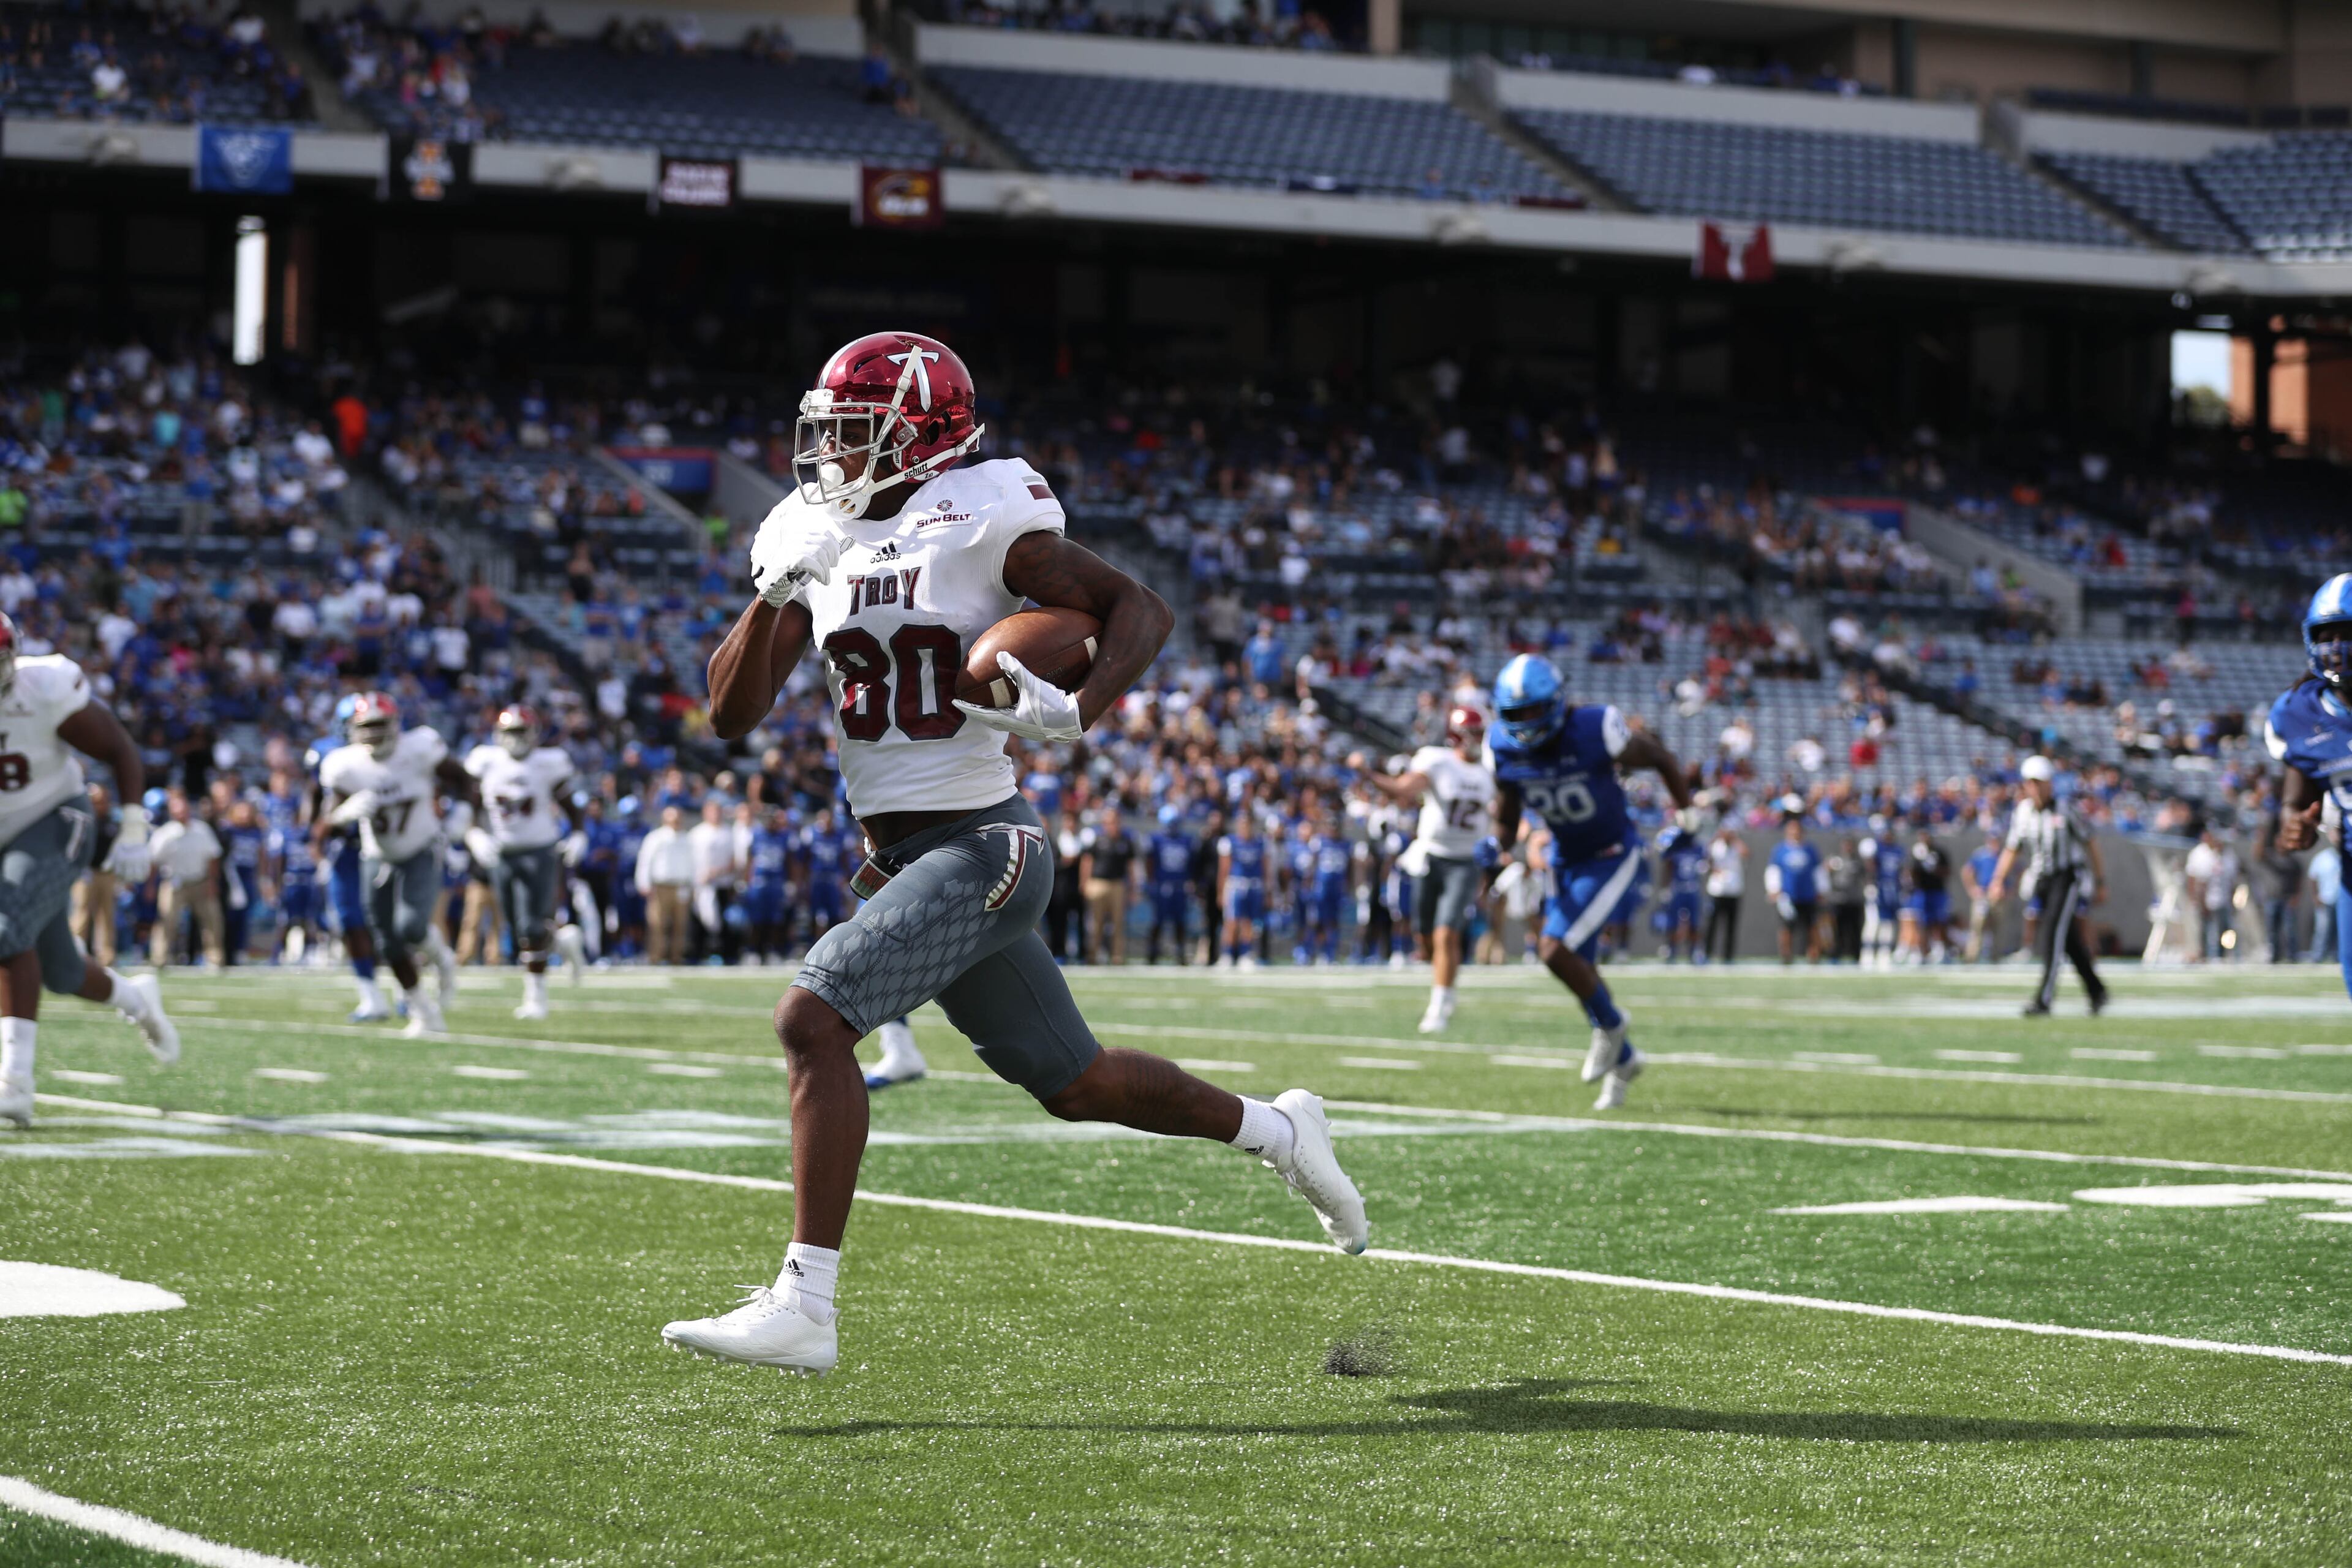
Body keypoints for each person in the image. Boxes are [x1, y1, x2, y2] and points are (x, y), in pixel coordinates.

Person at [662, 331, 1365, 1375]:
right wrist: (773, 592)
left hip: (987, 841)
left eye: (856, 434)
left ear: (920, 434)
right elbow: (728, 716)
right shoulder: (812, 531)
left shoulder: (980, 512)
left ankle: (807, 1302)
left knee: (813, 1020)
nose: (829, 457)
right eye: (828, 435)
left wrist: (1075, 711)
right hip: (910, 858)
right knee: (1075, 1082)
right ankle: (1278, 1128)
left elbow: (1138, 607)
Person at [1485, 653, 1692, 1111]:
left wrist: (1689, 814)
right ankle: (1625, 1063)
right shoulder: (1502, 745)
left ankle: (1612, 1026)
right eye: (1517, 714)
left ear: (1557, 702)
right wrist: (1496, 845)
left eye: (1536, 710)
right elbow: (1508, 815)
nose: (1527, 722)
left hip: (1612, 852)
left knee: (1554, 950)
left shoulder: (1595, 727)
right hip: (1565, 859)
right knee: (1581, 967)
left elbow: (1659, 756)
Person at [0, 614, 181, 1128]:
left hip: (55, 816)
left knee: (6, 929)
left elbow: (118, 748)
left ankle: (14, 1082)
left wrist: (131, 827)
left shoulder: (45, 687)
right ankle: (138, 1000)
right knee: (59, 970)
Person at [317, 693, 469, 1036]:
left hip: (421, 849)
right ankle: (424, 1011)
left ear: (396, 723)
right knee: (386, 943)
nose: (372, 733)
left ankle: (443, 960)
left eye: (379, 725)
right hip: (377, 856)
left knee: (412, 927)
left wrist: (463, 814)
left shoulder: (419, 748)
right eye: (365, 726)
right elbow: (324, 822)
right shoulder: (345, 764)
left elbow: (464, 781)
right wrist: (344, 813)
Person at [1352, 705, 1495, 1033]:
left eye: (1478, 733)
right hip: (1430, 857)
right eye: (1470, 734)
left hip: (1466, 861)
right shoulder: (1438, 761)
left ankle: (1440, 1004)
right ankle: (1444, 984)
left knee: (1448, 932)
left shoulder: (1492, 769)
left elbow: (1505, 811)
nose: (1475, 740)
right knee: (1426, 936)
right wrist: (1368, 775)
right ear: (1456, 736)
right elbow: (1404, 790)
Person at [464, 705, 586, 1019]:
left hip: (541, 849)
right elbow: (470, 806)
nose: (517, 739)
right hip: (503, 851)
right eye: (511, 732)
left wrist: (578, 834)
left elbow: (570, 804)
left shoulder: (548, 762)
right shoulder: (486, 762)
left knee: (531, 926)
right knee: (517, 926)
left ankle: (537, 997)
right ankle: (562, 940)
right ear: (498, 734)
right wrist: (473, 834)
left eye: (522, 731)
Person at [2270, 575, 2352, 993]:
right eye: (2328, 636)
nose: (2337, 648)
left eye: (2349, 634)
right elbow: (2295, 802)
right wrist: (2293, 827)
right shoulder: (2301, 713)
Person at [1986, 755, 2107, 1017]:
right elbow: (2011, 849)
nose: (2035, 788)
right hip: (2043, 879)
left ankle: (2044, 999)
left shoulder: (2066, 810)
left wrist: (2100, 881)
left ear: (2050, 783)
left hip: (2067, 877)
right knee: (2069, 941)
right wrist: (1998, 880)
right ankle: (2097, 990)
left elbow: (2091, 844)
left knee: (2052, 934)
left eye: (2039, 782)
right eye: (2030, 783)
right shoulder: (2023, 813)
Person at [308, 696, 391, 1020]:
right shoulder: (330, 756)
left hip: (384, 844)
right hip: (345, 846)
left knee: (388, 922)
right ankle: (370, 994)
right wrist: (317, 837)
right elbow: (314, 798)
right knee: (349, 921)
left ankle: (403, 988)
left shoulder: (392, 755)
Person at [148, 791, 227, 968]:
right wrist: (151, 886)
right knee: (167, 920)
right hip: (174, 882)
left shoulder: (202, 830)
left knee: (212, 920)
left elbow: (213, 858)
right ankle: (159, 958)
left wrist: (213, 882)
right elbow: (154, 862)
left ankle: (215, 959)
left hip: (200, 881)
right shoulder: (164, 834)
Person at [1078, 802, 1136, 965]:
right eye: (1109, 821)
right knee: (1096, 924)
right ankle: (1093, 956)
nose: (1113, 825)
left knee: (1118, 923)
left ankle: (1117, 957)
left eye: (1115, 821)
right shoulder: (1097, 839)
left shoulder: (1126, 841)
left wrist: (1133, 888)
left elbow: (1131, 867)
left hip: (1118, 884)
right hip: (1098, 883)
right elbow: (1087, 861)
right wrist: (1084, 883)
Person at [635, 804, 693, 965]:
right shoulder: (656, 837)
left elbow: (692, 863)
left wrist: (692, 885)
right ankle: (656, 956)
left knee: (680, 924)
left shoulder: (686, 838)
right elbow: (646, 861)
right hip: (661, 886)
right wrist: (644, 883)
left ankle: (677, 957)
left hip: (681, 885)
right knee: (657, 924)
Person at [1765, 815, 1822, 965]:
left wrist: (1822, 889)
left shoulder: (1810, 849)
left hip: (1808, 893)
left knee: (1811, 926)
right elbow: (1773, 870)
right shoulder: (1781, 850)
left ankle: (1814, 954)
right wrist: (1774, 889)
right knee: (1786, 927)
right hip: (1787, 895)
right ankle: (1786, 955)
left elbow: (1818, 871)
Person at [1216, 807, 1268, 968]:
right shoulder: (1230, 842)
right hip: (1236, 885)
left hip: (1254, 885)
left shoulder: (1260, 842)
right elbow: (1224, 870)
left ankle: (1246, 954)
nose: (1245, 826)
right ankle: (1227, 954)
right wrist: (1221, 891)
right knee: (1231, 922)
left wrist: (1268, 890)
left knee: (1248, 922)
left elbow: (1265, 868)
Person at [1144, 804, 1193, 964]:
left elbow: (1191, 864)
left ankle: (1180, 953)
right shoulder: (1156, 839)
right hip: (1162, 886)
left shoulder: (1186, 840)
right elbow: (1150, 862)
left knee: (1180, 922)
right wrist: (1151, 882)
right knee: (1158, 921)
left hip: (1179, 886)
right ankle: (1152, 953)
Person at [2183, 821, 2238, 963]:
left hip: (2223, 898)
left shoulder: (2228, 855)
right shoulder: (2200, 854)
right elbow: (2197, 880)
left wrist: (2233, 900)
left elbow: (2232, 880)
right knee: (2204, 929)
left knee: (2224, 929)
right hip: (2205, 898)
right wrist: (2196, 900)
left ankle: (2221, 955)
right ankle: (2204, 955)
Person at [1653, 823, 1706, 963]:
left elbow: (1705, 865)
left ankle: (1695, 951)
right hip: (1677, 888)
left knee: (1695, 922)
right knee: (1672, 922)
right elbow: (1668, 868)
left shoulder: (1698, 848)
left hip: (1692, 888)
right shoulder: (1674, 849)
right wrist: (1665, 889)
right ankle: (1671, 949)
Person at [1856, 814, 1902, 970]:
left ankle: (1884, 954)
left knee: (1889, 923)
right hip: (1878, 887)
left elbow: (1902, 871)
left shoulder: (1897, 850)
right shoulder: (1875, 847)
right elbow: (1869, 866)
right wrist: (1870, 884)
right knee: (1873, 922)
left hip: (1893, 889)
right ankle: (1867, 954)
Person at [1904, 827, 1953, 964]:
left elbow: (1948, 871)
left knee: (1941, 921)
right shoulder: (1916, 853)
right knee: (1923, 923)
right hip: (1922, 892)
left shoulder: (1939, 852)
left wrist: (1935, 870)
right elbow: (1910, 873)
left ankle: (1943, 951)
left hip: (1937, 891)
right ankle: (1923, 951)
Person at [1703, 821, 1743, 963]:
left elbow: (1746, 853)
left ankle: (1728, 956)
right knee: (1712, 925)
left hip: (1734, 891)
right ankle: (1707, 954)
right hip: (1717, 891)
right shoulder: (1715, 846)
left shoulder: (1736, 847)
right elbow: (1706, 861)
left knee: (1730, 926)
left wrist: (1735, 840)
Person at [1961, 832, 2003, 962]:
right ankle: (1971, 957)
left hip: (1998, 896)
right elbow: (1967, 871)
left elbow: (2018, 870)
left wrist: (2010, 889)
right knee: (1977, 926)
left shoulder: (2003, 855)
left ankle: (1995, 957)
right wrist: (1973, 888)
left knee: (1998, 927)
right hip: (1983, 894)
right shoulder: (1980, 854)